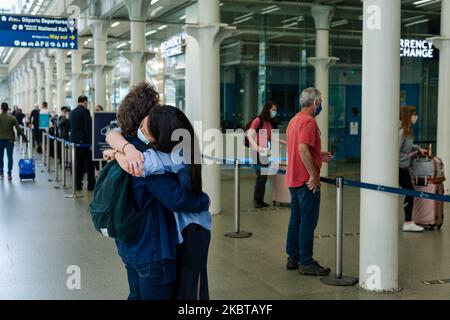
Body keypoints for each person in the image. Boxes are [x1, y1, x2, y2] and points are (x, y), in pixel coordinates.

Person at [105, 105, 212, 300]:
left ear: (159, 138)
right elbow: (113, 135)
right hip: (170, 236)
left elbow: (176, 199)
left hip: (190, 232)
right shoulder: (181, 149)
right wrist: (122, 151)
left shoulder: (153, 158)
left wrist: (119, 153)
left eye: (145, 130)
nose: (141, 130)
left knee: (189, 289)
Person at [285, 88, 333, 276]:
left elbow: (299, 147)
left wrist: (318, 155)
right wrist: (313, 175)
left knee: (295, 219)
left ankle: (293, 257)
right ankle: (306, 261)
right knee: (307, 221)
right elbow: (303, 149)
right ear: (315, 103)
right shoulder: (309, 122)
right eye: (320, 102)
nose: (320, 105)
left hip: (292, 178)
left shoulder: (294, 120)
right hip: (306, 181)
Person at [247, 101, 286, 208]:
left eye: (275, 110)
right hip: (257, 152)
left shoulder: (268, 123)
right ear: (267, 109)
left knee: (263, 176)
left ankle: (259, 200)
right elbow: (249, 135)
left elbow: (272, 137)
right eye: (273, 109)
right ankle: (257, 200)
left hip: (265, 152)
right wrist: (258, 148)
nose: (275, 112)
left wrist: (285, 142)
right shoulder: (258, 120)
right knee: (261, 176)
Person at [399, 106, 428, 232]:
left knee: (409, 191)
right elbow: (396, 150)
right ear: (407, 116)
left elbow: (409, 144)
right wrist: (411, 155)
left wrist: (418, 148)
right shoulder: (401, 131)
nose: (415, 117)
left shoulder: (408, 130)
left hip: (404, 166)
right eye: (413, 114)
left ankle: (409, 221)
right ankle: (408, 222)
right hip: (399, 167)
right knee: (410, 191)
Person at [70, 96, 96, 191]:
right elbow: (88, 128)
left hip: (75, 142)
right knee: (89, 163)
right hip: (84, 142)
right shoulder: (85, 111)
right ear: (85, 102)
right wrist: (91, 142)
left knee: (78, 163)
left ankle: (78, 184)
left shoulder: (72, 112)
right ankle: (91, 185)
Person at [0, 102, 28, 181]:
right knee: (10, 157)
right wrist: (24, 137)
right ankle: (9, 174)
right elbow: (18, 129)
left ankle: (1, 171)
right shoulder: (12, 118)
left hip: (0, 140)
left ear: (1, 108)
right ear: (7, 108)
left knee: (0, 157)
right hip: (9, 140)